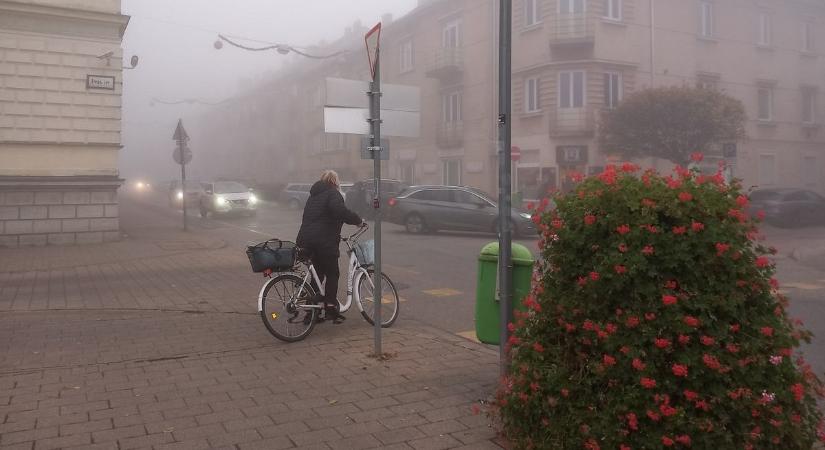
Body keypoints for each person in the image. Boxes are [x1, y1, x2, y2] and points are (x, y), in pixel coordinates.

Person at [296, 170, 364, 323]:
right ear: (335, 181)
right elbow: (340, 211)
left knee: (317, 276)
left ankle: (311, 314)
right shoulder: (333, 193)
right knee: (332, 273)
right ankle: (330, 308)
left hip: (306, 240)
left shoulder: (313, 196)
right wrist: (358, 221)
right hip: (324, 242)